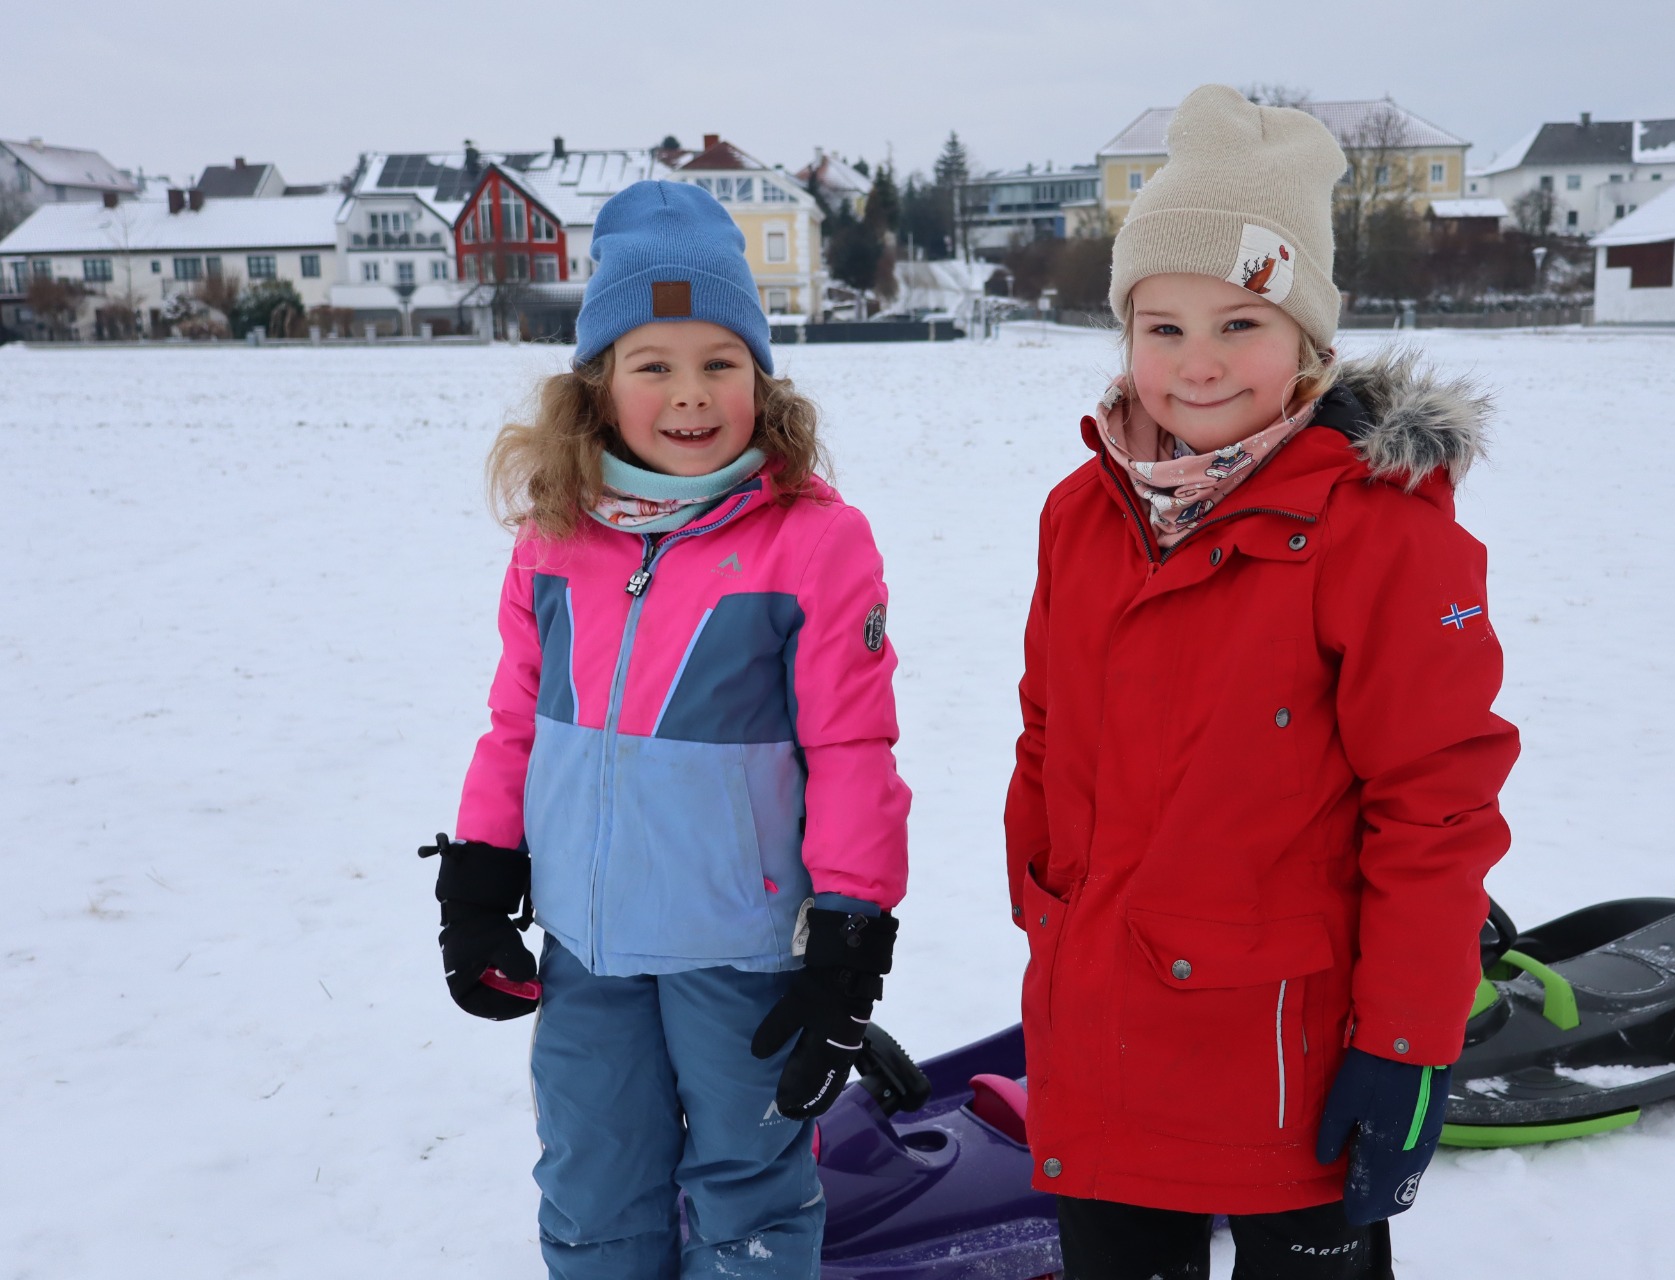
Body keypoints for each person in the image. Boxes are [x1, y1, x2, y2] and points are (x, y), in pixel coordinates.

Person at [1003, 85, 1520, 1279]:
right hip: (1103, 1035)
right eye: (1163, 326)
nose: (1197, 364)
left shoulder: (1381, 529)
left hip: (1294, 1063)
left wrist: (1407, 1042)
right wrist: (1050, 909)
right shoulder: (1081, 514)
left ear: (1308, 338)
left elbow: (1436, 804)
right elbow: (1047, 731)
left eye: (1240, 322)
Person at [423, 179, 910, 1279]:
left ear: (760, 378)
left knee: (750, 1193)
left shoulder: (813, 544)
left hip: (743, 952)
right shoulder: (555, 537)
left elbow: (852, 751)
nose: (691, 394)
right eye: (653, 365)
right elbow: (516, 721)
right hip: (586, 949)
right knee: (592, 1185)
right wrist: (480, 875)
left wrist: (850, 937)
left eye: (719, 362)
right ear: (598, 386)